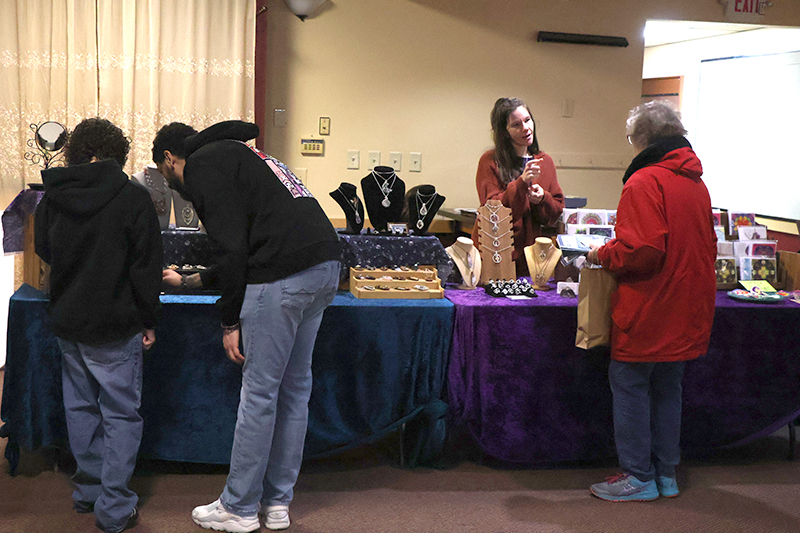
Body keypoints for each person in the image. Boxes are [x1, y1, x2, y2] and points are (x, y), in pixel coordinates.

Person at [152, 120, 341, 532]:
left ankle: (238, 507)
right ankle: (277, 504)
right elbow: (244, 244)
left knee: (259, 394)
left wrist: (229, 320)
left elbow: (233, 250)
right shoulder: (243, 154)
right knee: (294, 392)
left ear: (170, 158)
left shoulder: (201, 165)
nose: (173, 186)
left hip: (281, 276)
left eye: (167, 177)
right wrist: (192, 281)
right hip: (325, 265)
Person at [34, 118, 163, 533]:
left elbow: (44, 249)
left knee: (81, 408)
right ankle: (114, 507)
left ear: (75, 151)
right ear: (118, 154)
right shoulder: (133, 197)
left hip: (68, 319)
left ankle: (89, 491)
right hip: (116, 322)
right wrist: (149, 319)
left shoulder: (54, 195)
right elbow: (146, 267)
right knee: (120, 414)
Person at [586, 101, 717, 502]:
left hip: (649, 307)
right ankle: (666, 475)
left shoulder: (643, 181)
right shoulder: (695, 183)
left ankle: (639, 477)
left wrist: (600, 253)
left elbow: (640, 251)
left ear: (641, 139)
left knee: (630, 386)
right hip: (686, 307)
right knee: (668, 391)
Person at [474, 97, 564, 276]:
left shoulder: (545, 161)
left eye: (528, 120)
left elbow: (556, 211)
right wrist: (521, 183)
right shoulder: (490, 161)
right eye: (516, 125)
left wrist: (542, 198)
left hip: (531, 256)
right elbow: (492, 209)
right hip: (496, 254)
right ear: (504, 132)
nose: (526, 128)